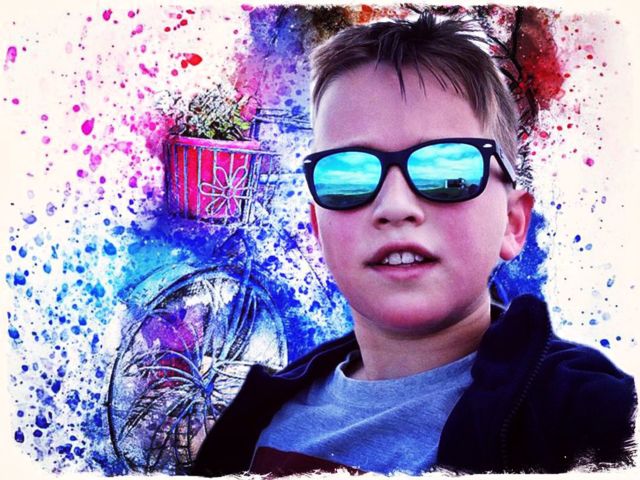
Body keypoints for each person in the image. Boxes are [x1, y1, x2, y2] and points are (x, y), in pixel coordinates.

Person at [192, 11, 636, 476]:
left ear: (512, 222)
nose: (395, 206)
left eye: (447, 170)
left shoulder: (594, 417)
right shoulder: (254, 424)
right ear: (318, 229)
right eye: (348, 175)